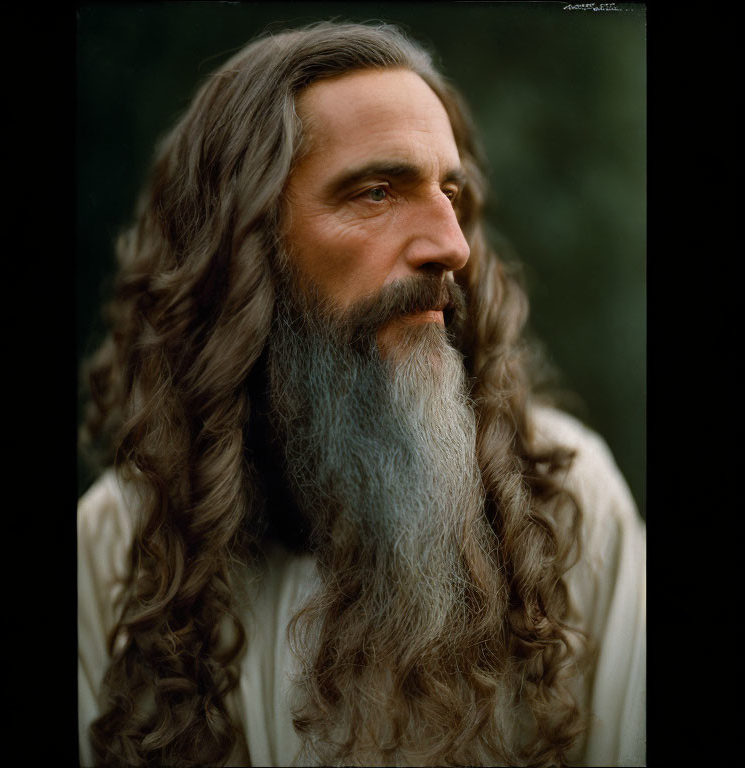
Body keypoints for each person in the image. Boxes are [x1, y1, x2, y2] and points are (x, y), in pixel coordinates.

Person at [77, 21, 645, 767]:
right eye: (378, 192)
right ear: (242, 247)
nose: (453, 245)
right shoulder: (116, 546)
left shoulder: (567, 499)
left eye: (450, 193)